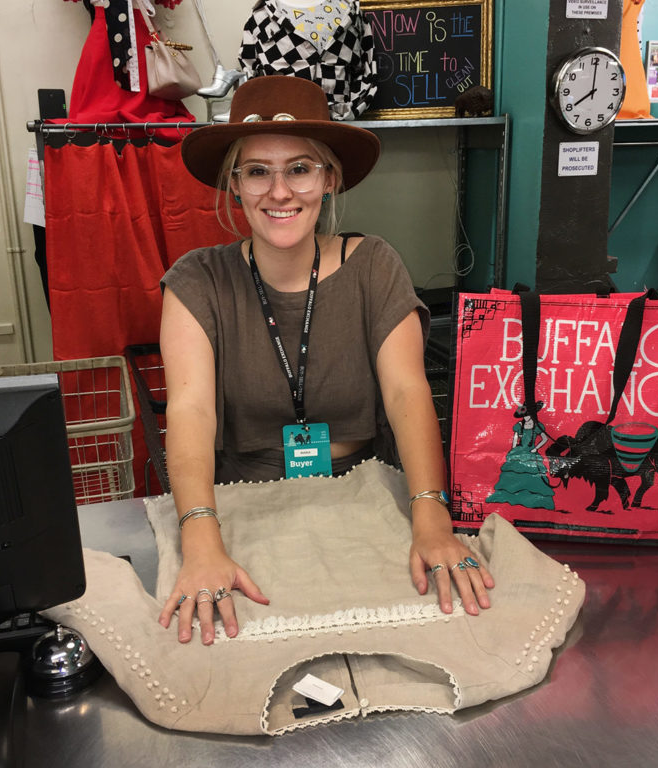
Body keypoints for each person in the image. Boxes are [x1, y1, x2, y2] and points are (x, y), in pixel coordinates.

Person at [157, 75, 494, 645]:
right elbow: (190, 410)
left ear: (329, 179)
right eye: (258, 170)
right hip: (241, 511)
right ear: (233, 183)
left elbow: (407, 392)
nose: (279, 191)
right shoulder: (196, 280)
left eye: (300, 168)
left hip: (369, 499)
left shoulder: (375, 267)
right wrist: (200, 537)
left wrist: (432, 515)